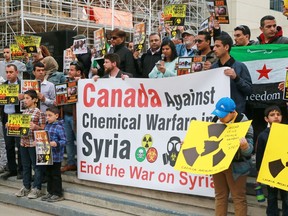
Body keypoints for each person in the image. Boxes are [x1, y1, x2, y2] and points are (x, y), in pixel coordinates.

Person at [211, 97, 254, 216]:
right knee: (220, 196)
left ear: (233, 112)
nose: (220, 117)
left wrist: (245, 146)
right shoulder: (215, 120)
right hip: (219, 164)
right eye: (218, 113)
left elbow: (249, 151)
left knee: (238, 197)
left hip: (237, 166)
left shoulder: (243, 122)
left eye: (223, 114)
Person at [255, 105, 288, 216]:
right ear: (266, 119)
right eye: (272, 115)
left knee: (287, 198)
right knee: (272, 197)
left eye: (278, 114)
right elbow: (259, 156)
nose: (276, 117)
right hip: (271, 170)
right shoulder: (263, 136)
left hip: (286, 170)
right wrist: (259, 173)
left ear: (282, 117)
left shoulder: (286, 132)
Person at [15, 89, 46, 199]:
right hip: (24, 142)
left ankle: (37, 188)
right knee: (25, 166)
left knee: (36, 166)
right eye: (24, 98)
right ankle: (26, 186)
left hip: (34, 144)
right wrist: (11, 125)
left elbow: (43, 128)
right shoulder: (24, 112)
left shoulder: (39, 113)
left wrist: (36, 127)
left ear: (35, 100)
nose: (25, 100)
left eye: (28, 98)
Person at [211, 34, 252, 114]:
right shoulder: (213, 68)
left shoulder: (240, 66)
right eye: (214, 46)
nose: (214, 49)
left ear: (226, 47)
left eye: (217, 46)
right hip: (219, 114)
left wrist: (236, 78)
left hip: (236, 114)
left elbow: (249, 90)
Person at [60, 61, 84, 172]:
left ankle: (82, 164)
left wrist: (80, 82)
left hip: (77, 117)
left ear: (78, 72)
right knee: (68, 141)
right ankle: (71, 163)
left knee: (79, 141)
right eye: (69, 70)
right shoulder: (66, 82)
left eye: (72, 70)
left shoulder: (84, 83)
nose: (69, 72)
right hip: (66, 115)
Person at [0, 64, 23, 180]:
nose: (8, 74)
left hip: (18, 117)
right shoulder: (3, 86)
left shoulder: (22, 86)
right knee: (9, 145)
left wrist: (22, 98)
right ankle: (12, 169)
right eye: (7, 72)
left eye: (11, 72)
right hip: (6, 118)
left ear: (16, 72)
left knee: (19, 145)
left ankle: (21, 170)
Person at [41, 106, 66, 202]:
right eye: (46, 115)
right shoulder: (47, 125)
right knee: (48, 174)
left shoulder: (59, 127)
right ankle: (50, 192)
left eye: (49, 115)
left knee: (55, 175)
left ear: (56, 115)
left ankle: (58, 193)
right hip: (47, 154)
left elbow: (64, 140)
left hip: (56, 156)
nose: (47, 117)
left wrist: (56, 143)